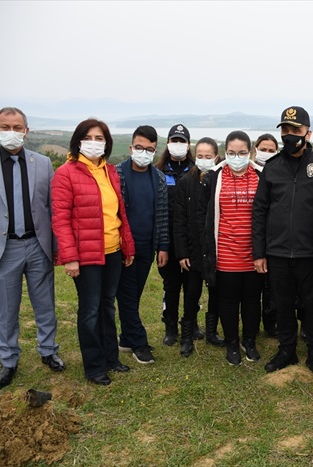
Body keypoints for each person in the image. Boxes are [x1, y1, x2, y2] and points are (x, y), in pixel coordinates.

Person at [252, 106, 313, 374]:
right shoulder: (272, 167)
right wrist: (259, 253)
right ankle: (286, 350)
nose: (290, 135)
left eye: (296, 130)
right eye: (286, 131)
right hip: (277, 252)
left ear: (308, 132)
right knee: (282, 304)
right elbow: (260, 210)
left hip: (311, 253)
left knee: (311, 306)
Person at [52, 118, 135, 385]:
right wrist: (70, 257)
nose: (95, 143)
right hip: (85, 254)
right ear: (78, 141)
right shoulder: (66, 173)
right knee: (89, 310)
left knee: (107, 306)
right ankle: (95, 366)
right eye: (90, 137)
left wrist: (126, 246)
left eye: (100, 139)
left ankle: (111, 358)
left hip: (112, 250)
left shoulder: (109, 171)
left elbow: (119, 212)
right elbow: (61, 219)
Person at [0, 107, 63, 389]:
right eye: (6, 127)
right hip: (3, 249)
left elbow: (52, 209)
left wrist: (55, 246)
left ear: (26, 131)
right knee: (7, 310)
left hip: (37, 245)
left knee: (45, 305)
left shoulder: (42, 164)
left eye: (17, 127)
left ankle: (49, 351)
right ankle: (8, 361)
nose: (12, 132)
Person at [201, 131, 264, 365]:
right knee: (227, 301)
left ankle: (249, 341)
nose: (236, 157)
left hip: (254, 253)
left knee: (251, 300)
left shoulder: (261, 175)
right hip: (225, 251)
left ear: (251, 152)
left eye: (242, 153)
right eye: (231, 153)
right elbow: (204, 215)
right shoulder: (214, 176)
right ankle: (231, 343)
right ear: (224, 152)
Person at [115, 125, 168, 364]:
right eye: (139, 148)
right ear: (131, 147)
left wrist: (163, 246)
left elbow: (163, 215)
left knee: (134, 294)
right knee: (126, 295)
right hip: (123, 247)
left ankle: (126, 338)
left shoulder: (157, 177)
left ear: (155, 151)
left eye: (149, 149)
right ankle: (138, 342)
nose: (143, 153)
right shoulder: (116, 174)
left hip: (147, 246)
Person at [175, 137, 225, 355]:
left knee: (215, 292)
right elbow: (179, 220)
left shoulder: (220, 179)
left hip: (215, 248)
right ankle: (186, 336)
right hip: (193, 248)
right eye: (200, 156)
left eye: (208, 156)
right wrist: (182, 252)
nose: (204, 160)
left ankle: (212, 331)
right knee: (191, 293)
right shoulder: (185, 182)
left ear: (216, 156)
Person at [155, 124, 202, 346]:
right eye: (174, 140)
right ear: (167, 144)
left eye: (182, 141)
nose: (178, 145)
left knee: (192, 286)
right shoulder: (158, 171)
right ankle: (170, 327)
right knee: (171, 286)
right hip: (168, 239)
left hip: (191, 240)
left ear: (188, 145)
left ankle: (191, 324)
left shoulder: (196, 170)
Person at [253, 133, 279, 337]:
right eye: (263, 149)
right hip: (250, 235)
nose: (267, 154)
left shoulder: (277, 172)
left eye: (271, 151)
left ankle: (271, 324)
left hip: (273, 236)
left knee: (271, 286)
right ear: (255, 149)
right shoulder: (248, 171)